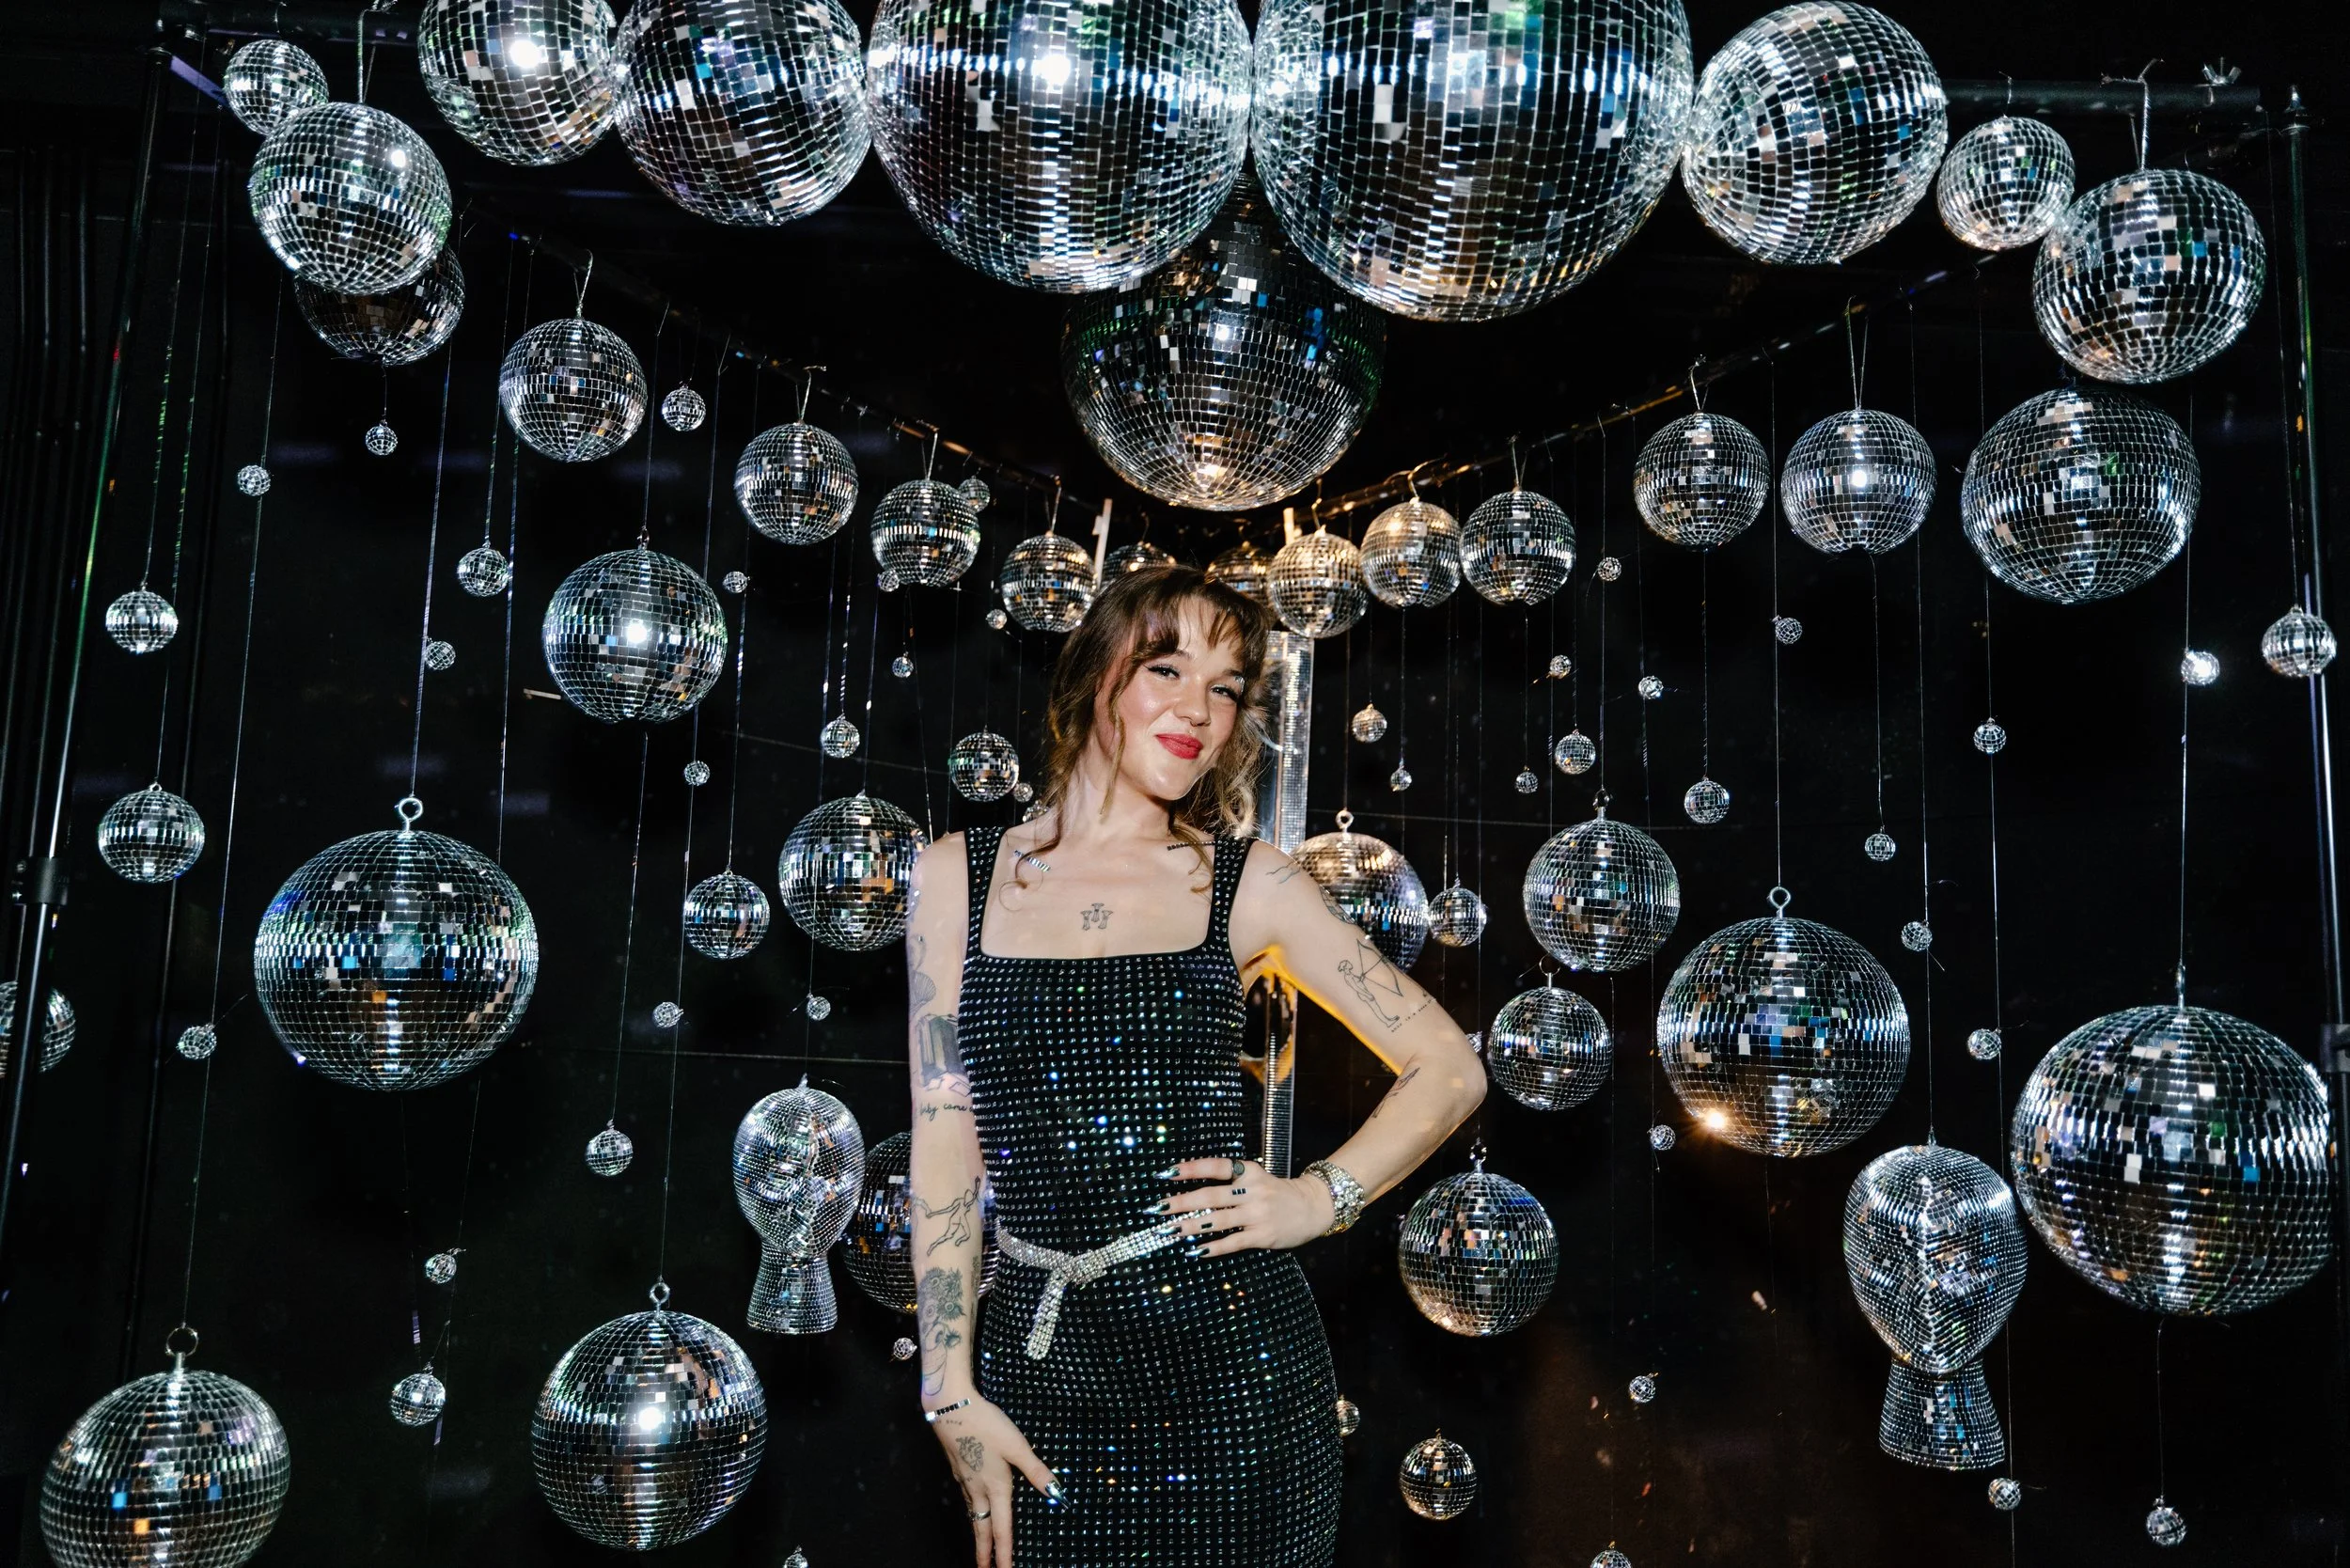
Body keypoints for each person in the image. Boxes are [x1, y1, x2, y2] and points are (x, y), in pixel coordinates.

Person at [903, 563, 1484, 1568]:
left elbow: (1448, 1065)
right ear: (1096, 674)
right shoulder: (955, 876)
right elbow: (944, 1139)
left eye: (1225, 688)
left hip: (1232, 1377)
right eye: (1167, 669)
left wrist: (1320, 1197)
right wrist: (946, 1385)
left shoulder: (1246, 884)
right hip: (1042, 1371)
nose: (1200, 711)